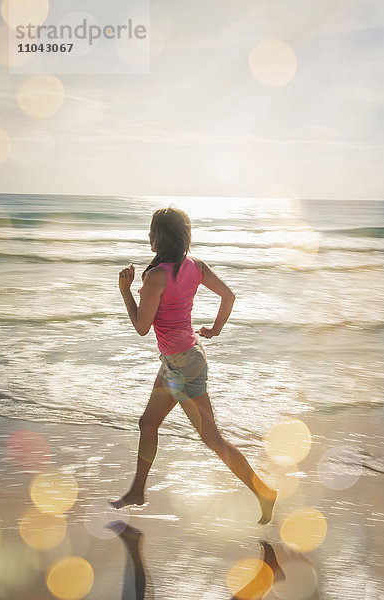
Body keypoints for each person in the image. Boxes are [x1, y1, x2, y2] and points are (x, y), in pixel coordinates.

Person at [109, 207, 277, 524]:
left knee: (212, 439)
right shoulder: (194, 266)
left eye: (152, 230)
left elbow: (142, 327)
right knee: (148, 424)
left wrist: (126, 291)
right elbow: (228, 296)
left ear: (160, 236)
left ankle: (263, 491)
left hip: (181, 366)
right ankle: (137, 492)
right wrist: (215, 330)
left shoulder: (156, 276)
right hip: (186, 358)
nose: (149, 235)